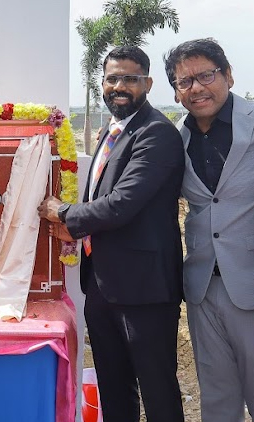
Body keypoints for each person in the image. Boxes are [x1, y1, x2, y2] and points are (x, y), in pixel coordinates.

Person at [37, 45, 185, 422]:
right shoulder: (112, 129)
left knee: (157, 391)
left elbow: (122, 203)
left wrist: (64, 213)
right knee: (114, 387)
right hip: (102, 284)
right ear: (102, 82)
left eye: (130, 79)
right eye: (113, 78)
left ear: (148, 84)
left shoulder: (157, 133)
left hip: (145, 290)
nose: (120, 86)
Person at [164, 38, 254, 422]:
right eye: (184, 81)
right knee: (217, 397)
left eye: (206, 75)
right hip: (203, 285)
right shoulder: (176, 136)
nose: (196, 87)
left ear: (229, 75)